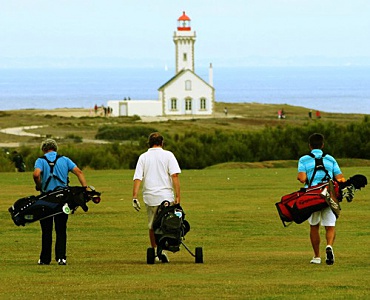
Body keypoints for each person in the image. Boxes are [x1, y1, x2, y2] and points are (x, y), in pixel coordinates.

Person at [33, 139, 88, 265]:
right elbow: (79, 172)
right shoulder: (65, 160)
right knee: (61, 229)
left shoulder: (40, 160)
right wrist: (85, 188)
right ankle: (61, 258)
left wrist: (39, 185)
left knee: (46, 230)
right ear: (55, 148)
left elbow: (36, 174)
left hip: (46, 199)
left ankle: (45, 259)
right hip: (63, 200)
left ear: (44, 149)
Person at [132, 132, 181, 263]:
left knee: (153, 224)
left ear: (149, 143)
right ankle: (163, 250)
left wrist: (134, 196)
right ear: (162, 142)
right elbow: (174, 176)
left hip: (150, 197)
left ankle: (155, 250)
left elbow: (138, 178)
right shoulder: (168, 155)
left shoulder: (143, 157)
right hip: (166, 197)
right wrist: (178, 196)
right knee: (167, 223)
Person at [297, 133, 345, 265]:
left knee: (314, 226)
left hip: (312, 197)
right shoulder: (330, 159)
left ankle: (317, 256)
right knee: (330, 226)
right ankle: (329, 246)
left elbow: (302, 179)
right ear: (322, 145)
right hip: (329, 196)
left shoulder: (304, 160)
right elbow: (340, 178)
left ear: (310, 145)